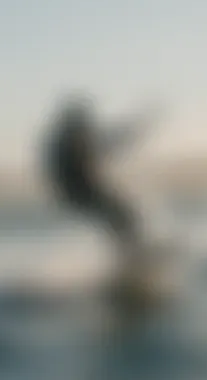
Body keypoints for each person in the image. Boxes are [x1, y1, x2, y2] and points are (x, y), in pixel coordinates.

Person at [41, 93, 163, 272]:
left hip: (77, 191)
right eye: (85, 124)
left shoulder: (68, 139)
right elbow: (104, 146)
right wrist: (130, 132)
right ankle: (132, 258)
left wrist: (131, 130)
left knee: (123, 217)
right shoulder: (70, 140)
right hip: (79, 191)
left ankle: (130, 256)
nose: (88, 128)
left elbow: (106, 143)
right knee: (123, 215)